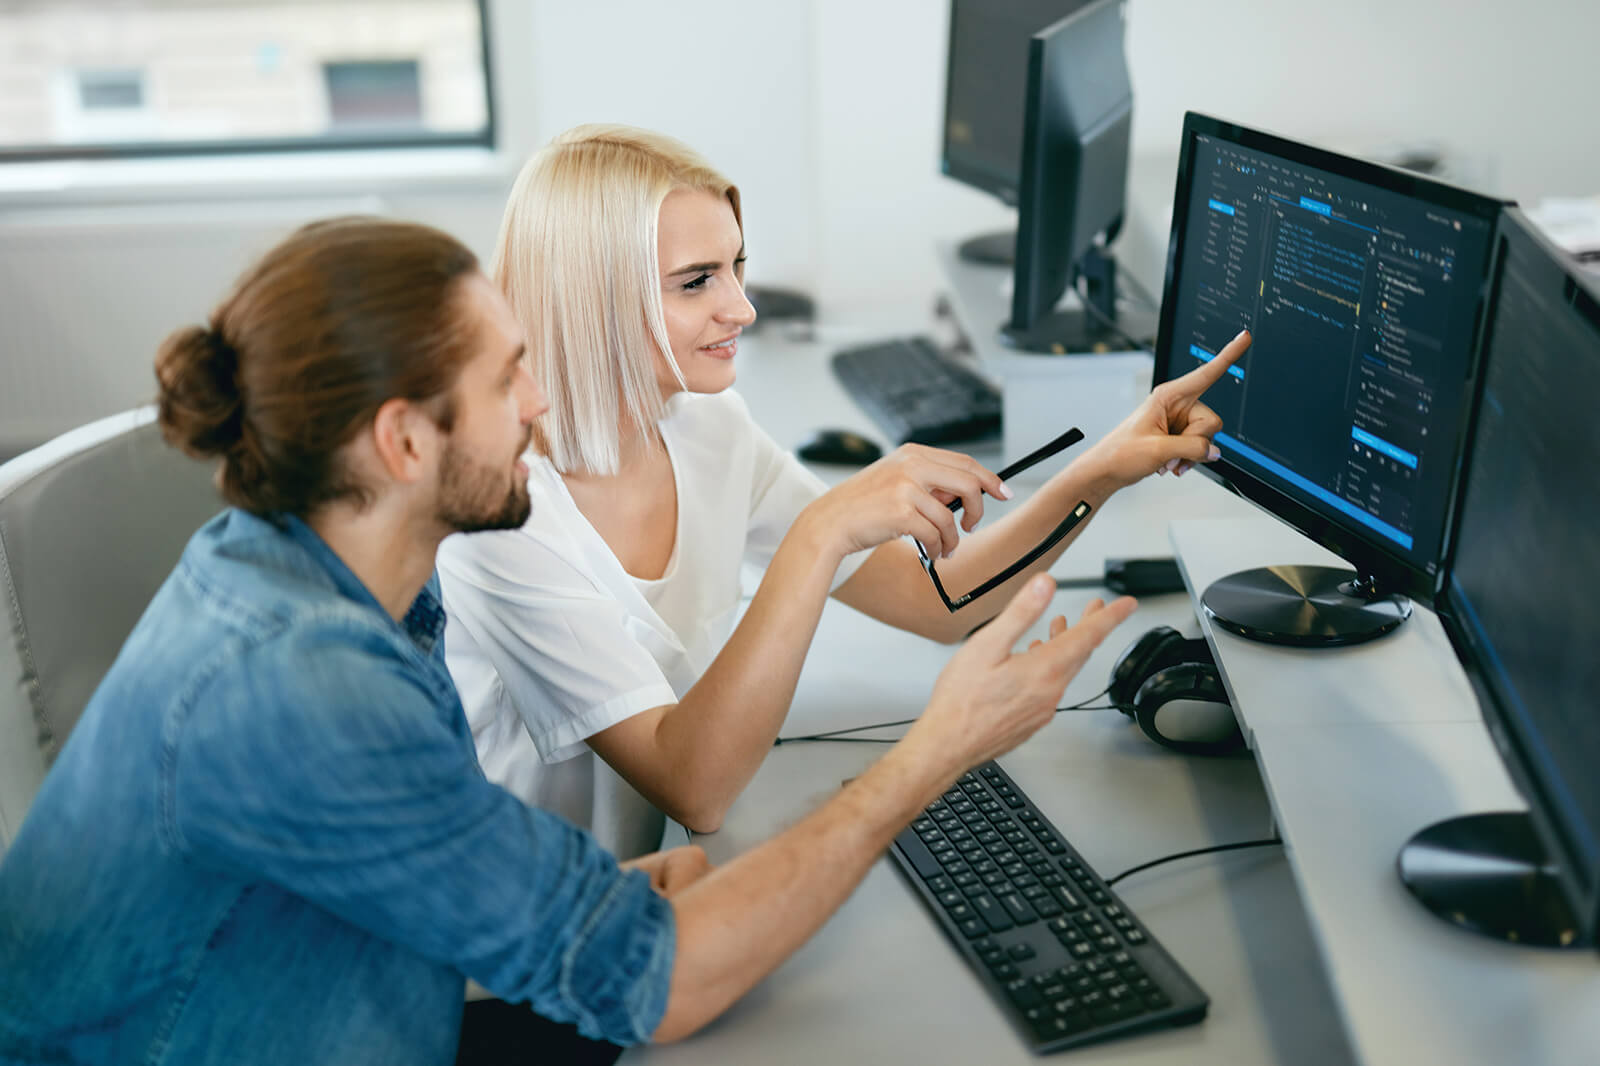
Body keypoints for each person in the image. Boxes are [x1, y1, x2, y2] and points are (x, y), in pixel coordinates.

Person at [0, 216, 1151, 1064]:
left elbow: (390, 868)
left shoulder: (318, 573)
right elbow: (667, 984)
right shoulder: (305, 689)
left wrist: (584, 891)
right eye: (507, 378)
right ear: (403, 441)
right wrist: (936, 752)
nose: (539, 404)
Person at [439, 125, 1250, 855]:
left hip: (652, 882)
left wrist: (1103, 468)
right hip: (537, 938)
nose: (742, 308)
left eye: (736, 267)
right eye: (696, 282)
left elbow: (939, 603)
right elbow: (695, 787)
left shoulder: (707, 428)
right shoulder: (499, 522)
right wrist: (821, 531)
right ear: (591, 300)